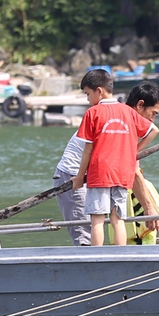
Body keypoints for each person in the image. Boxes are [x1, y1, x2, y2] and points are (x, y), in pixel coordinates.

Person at [71, 70, 147, 246]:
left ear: (99, 91)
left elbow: (88, 150)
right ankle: (120, 255)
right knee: (118, 219)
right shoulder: (128, 111)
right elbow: (152, 130)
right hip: (122, 173)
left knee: (97, 219)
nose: (88, 99)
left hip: (99, 173)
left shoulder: (93, 113)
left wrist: (79, 176)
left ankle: (95, 257)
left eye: (88, 94)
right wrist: (134, 151)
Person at [51, 69, 113, 247]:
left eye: (87, 94)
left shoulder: (111, 112)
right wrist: (79, 178)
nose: (87, 100)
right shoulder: (96, 114)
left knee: (94, 225)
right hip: (71, 174)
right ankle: (90, 265)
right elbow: (89, 149)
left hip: (86, 175)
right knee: (84, 231)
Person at [124, 82, 159, 241]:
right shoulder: (125, 125)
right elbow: (133, 173)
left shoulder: (126, 121)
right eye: (153, 113)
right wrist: (149, 208)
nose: (153, 119)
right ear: (140, 105)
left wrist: (134, 152)